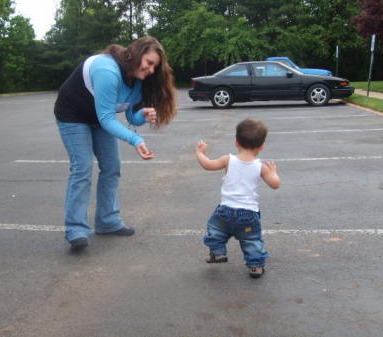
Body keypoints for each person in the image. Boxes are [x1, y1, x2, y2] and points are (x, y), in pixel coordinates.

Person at [54, 36, 176, 250]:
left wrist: (142, 114)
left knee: (112, 167)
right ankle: (76, 229)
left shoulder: (137, 80)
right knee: (82, 168)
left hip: (98, 116)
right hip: (72, 114)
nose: (150, 70)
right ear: (136, 54)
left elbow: (129, 115)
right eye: (149, 63)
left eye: (154, 67)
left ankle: (107, 221)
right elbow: (107, 118)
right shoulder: (107, 70)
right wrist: (136, 140)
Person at [195, 118, 280, 278]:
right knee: (252, 240)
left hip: (225, 211)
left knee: (215, 229)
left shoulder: (228, 160)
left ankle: (218, 252)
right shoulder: (260, 167)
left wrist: (200, 153)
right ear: (262, 146)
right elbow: (275, 184)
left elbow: (208, 165)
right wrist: (273, 172)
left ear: (236, 142)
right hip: (248, 214)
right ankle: (255, 267)